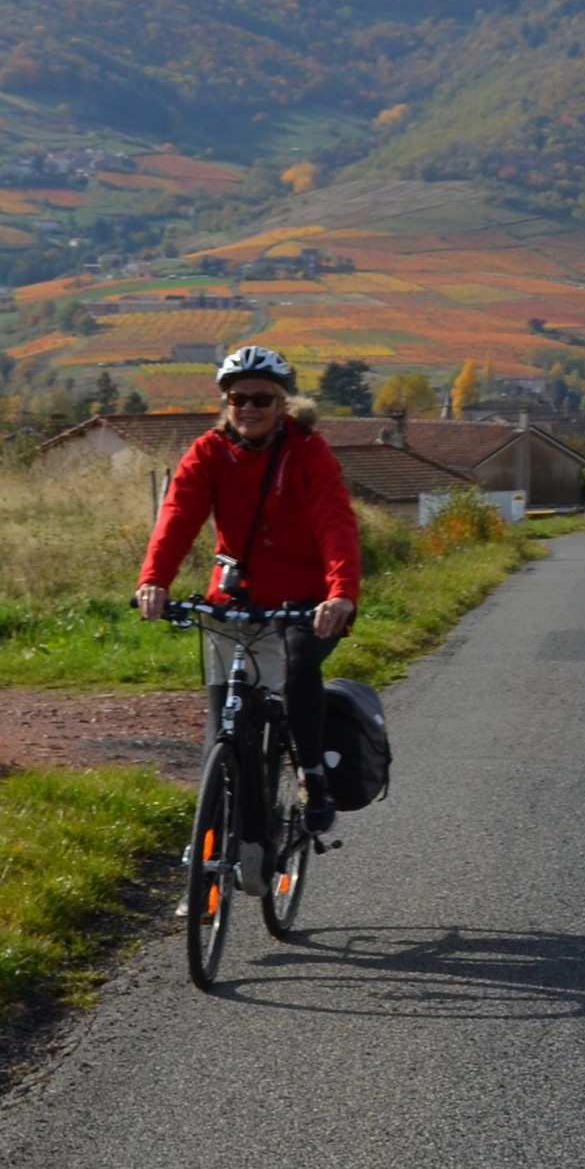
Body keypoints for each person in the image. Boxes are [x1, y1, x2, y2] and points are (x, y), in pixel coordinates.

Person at [136, 345, 361, 834]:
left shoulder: (306, 451)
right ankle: (208, 861)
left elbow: (334, 520)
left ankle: (312, 774)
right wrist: (154, 580)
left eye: (262, 399)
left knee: (300, 666)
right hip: (233, 603)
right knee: (223, 728)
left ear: (282, 404)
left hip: (306, 605)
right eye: (238, 398)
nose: (249, 409)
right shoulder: (209, 452)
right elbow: (177, 517)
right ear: (226, 403)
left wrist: (340, 592)